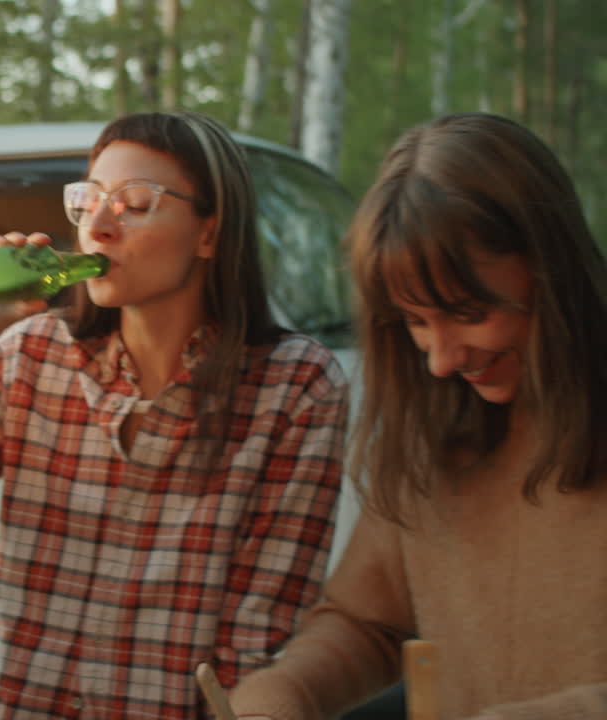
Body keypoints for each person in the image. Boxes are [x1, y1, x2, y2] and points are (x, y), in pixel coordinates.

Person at [0, 111, 349, 718]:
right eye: (88, 201)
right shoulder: (33, 352)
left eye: (136, 203)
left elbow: (258, 635)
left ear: (209, 234)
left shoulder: (294, 387)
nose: (100, 226)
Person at [228, 113, 607, 720]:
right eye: (415, 322)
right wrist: (286, 693)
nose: (441, 359)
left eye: (467, 311)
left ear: (549, 267)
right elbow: (366, 621)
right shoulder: (438, 438)